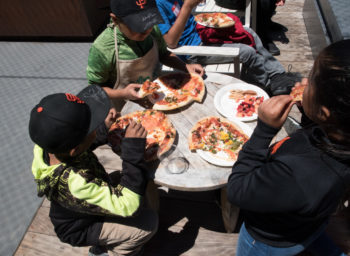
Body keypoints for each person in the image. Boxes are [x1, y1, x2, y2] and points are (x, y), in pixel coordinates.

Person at [227, 40, 350, 255]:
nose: (303, 81)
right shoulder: (340, 137)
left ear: (325, 112)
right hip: (308, 222)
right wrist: (310, 116)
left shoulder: (298, 172)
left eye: (311, 80)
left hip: (268, 240)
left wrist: (263, 131)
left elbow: (237, 190)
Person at [29, 85, 158, 256]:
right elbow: (128, 206)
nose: (98, 123)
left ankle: (109, 238)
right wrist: (133, 150)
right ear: (74, 149)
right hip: (81, 227)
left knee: (135, 182)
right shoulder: (75, 184)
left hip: (80, 210)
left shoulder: (48, 146)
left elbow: (83, 145)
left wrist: (104, 128)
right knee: (148, 224)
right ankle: (110, 251)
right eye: (93, 125)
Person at [155, 0, 300, 96]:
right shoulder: (157, 5)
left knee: (249, 33)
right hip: (193, 51)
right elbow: (171, 42)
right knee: (247, 52)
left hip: (202, 33)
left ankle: (277, 75)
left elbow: (191, 19)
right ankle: (267, 86)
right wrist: (187, 6)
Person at [86, 0, 203, 111]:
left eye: (150, 23)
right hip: (127, 105)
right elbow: (95, 89)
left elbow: (163, 53)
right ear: (115, 20)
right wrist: (122, 93)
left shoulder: (152, 31)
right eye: (137, 26)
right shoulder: (103, 49)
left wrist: (185, 66)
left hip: (159, 95)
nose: (146, 30)